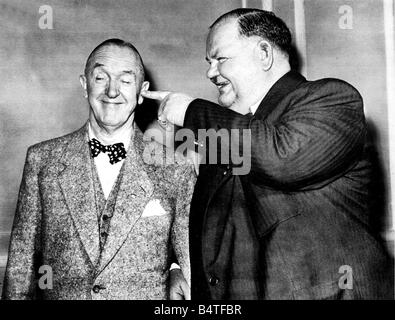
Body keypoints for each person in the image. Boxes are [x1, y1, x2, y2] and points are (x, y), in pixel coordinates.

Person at [142, 9, 394, 299]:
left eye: (220, 59)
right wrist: (177, 270)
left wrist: (189, 110)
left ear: (263, 53)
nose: (210, 73)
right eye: (208, 63)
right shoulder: (226, 131)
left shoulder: (333, 98)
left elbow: (283, 158)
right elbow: (203, 226)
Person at [2, 38, 194, 300]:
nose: (112, 91)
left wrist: (175, 270)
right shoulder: (42, 160)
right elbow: (20, 269)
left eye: (126, 81)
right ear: (85, 85)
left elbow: (190, 261)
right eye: (101, 78)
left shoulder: (175, 167)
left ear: (142, 91)